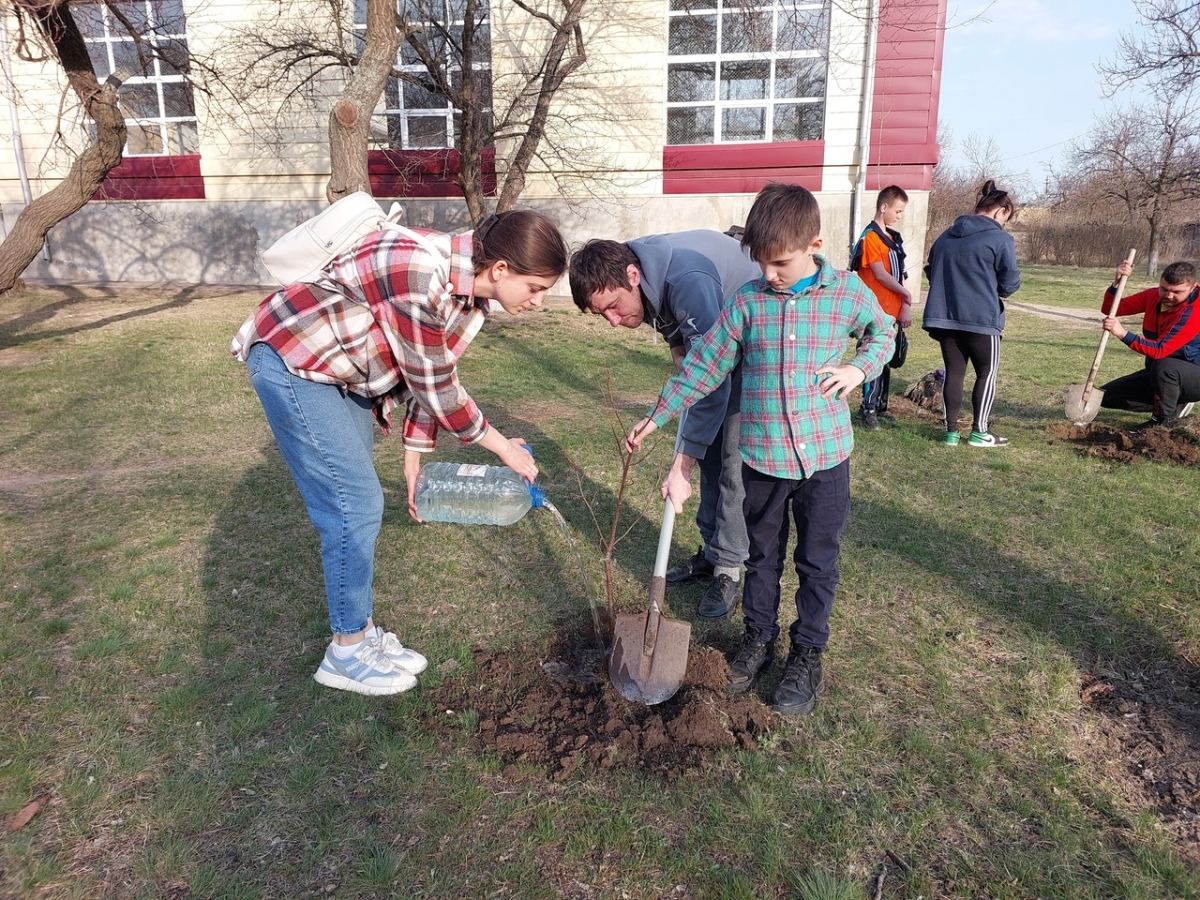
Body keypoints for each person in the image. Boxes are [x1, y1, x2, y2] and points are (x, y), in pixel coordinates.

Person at [231, 211, 569, 696]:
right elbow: (439, 388)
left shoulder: (469, 299)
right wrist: (502, 448)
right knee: (354, 505)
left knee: (359, 502)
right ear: (500, 269)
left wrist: (413, 460)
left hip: (339, 371)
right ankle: (345, 652)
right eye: (535, 288)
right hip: (294, 358)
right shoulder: (418, 271)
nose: (538, 302)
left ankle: (362, 634)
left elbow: (427, 374)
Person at [625, 183, 893, 715]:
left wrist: (859, 368)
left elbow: (882, 334)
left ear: (814, 244)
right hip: (763, 459)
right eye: (761, 263)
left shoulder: (846, 293)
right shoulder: (747, 303)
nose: (768, 274)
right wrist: (658, 416)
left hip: (825, 459)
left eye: (780, 263)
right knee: (762, 558)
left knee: (817, 562)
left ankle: (807, 653)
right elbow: (703, 365)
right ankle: (758, 639)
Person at [568, 232, 761, 618]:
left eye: (613, 307)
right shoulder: (638, 264)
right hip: (718, 337)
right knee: (707, 452)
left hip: (756, 347)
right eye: (601, 314)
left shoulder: (686, 278)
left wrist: (680, 467)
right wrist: (679, 351)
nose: (613, 321)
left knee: (730, 461)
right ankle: (711, 552)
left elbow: (714, 380)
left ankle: (729, 569)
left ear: (632, 276)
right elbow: (673, 321)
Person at [922, 179, 1021, 447]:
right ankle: (979, 431)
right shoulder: (1000, 238)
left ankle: (951, 432)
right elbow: (1010, 283)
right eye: (1006, 218)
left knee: (954, 372)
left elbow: (931, 271)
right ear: (1001, 211)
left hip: (945, 317)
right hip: (982, 319)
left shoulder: (944, 236)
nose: (1004, 224)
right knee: (986, 373)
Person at [1098, 259, 1200, 429]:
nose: (1168, 295)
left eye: (1176, 292)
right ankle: (1175, 403)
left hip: (1192, 373)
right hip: (1162, 374)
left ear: (1193, 287)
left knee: (1165, 365)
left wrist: (1122, 333)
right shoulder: (1152, 296)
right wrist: (1116, 284)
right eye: (1164, 289)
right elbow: (1111, 309)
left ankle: (1162, 422)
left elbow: (1160, 350)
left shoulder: (1194, 312)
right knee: (1104, 396)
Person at [851, 185, 912, 429]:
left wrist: (904, 304)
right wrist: (906, 294)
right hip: (874, 311)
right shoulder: (871, 238)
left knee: (887, 358)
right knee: (872, 358)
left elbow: (900, 274)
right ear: (883, 207)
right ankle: (867, 409)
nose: (899, 216)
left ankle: (880, 405)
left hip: (892, 310)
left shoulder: (893, 240)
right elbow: (880, 274)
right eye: (897, 211)